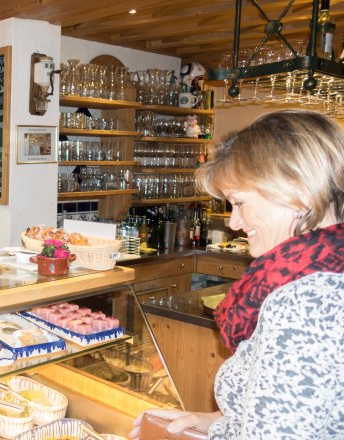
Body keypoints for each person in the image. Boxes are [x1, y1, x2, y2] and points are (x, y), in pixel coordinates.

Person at [130, 110, 344, 439]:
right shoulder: (323, 272)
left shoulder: (306, 302)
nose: (234, 222)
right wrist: (217, 424)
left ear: (298, 192)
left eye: (240, 203)